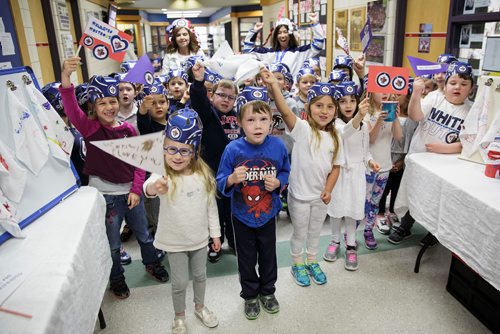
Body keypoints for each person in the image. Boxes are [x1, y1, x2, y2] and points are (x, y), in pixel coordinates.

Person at [59, 57, 169, 299]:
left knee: (144, 234)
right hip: (106, 196)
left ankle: (151, 264)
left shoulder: (128, 130)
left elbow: (140, 164)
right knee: (113, 244)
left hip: (131, 194)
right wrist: (66, 76)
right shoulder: (90, 129)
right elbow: (69, 106)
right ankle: (116, 278)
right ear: (93, 107)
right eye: (102, 103)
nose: (109, 107)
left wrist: (136, 190)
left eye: (112, 101)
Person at [261, 68, 344, 287]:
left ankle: (311, 260)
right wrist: (275, 86)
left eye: (329, 107)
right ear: (308, 107)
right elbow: (285, 111)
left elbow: (336, 167)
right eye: (318, 105)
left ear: (335, 111)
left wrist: (329, 189)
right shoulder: (302, 129)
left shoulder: (337, 137)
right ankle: (297, 263)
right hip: (299, 195)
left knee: (315, 231)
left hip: (320, 197)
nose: (324, 111)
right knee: (299, 231)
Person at [144, 108, 220, 333]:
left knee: (200, 276)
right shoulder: (162, 174)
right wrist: (155, 188)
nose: (177, 156)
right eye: (171, 149)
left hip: (198, 239)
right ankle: (179, 316)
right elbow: (147, 188)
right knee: (178, 283)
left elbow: (211, 207)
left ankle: (200, 306)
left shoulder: (203, 175)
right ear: (163, 149)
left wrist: (215, 233)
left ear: (194, 152)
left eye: (184, 151)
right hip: (174, 241)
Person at [216, 98, 290, 320]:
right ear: (240, 123)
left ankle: (268, 292)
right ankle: (249, 295)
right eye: (250, 120)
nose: (257, 125)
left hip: (268, 214)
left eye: (263, 119)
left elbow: (286, 170)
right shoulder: (232, 149)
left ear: (271, 122)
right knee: (246, 258)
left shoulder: (278, 145)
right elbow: (219, 180)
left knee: (268, 255)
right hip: (241, 216)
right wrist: (230, 178)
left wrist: (278, 183)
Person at [388, 62, 474, 245]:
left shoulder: (471, 111)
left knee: (437, 199)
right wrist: (417, 94)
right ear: (445, 86)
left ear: (471, 88)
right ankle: (405, 226)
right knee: (412, 192)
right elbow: (416, 116)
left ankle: (434, 232)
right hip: (420, 158)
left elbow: (469, 144)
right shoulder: (435, 98)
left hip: (446, 166)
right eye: (453, 82)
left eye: (464, 84)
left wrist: (445, 149)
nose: (458, 87)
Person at [324, 82, 380, 271]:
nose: (348, 105)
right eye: (343, 101)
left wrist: (370, 161)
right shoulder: (336, 124)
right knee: (336, 210)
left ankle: (350, 244)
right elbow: (346, 133)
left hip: (357, 175)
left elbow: (365, 150)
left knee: (351, 211)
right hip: (339, 174)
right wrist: (359, 116)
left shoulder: (363, 125)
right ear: (337, 104)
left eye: (352, 101)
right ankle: (334, 240)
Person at [190, 62, 242, 262]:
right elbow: (199, 101)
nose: (226, 100)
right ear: (212, 95)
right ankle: (215, 243)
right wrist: (198, 82)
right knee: (214, 212)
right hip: (211, 172)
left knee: (233, 211)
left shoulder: (239, 117)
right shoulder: (207, 114)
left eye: (231, 97)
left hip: (233, 174)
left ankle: (234, 241)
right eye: (221, 95)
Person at [363, 88, 403, 250]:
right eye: (380, 90)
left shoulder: (391, 112)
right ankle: (351, 232)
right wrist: (379, 121)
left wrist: (395, 118)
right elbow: (370, 139)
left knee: (375, 202)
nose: (384, 93)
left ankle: (368, 231)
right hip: (367, 166)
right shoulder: (366, 113)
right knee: (363, 201)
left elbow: (399, 137)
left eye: (388, 90)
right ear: (371, 91)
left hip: (385, 166)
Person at [375, 79, 417, 235]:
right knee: (383, 188)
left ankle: (392, 211)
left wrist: (402, 161)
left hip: (403, 160)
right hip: (386, 158)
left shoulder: (413, 119)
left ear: (408, 97)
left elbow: (412, 140)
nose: (394, 95)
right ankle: (380, 214)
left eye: (399, 93)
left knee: (397, 188)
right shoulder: (388, 114)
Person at [243, 13, 325, 77]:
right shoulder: (268, 52)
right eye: (279, 33)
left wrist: (315, 24)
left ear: (290, 34)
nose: (282, 36)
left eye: (285, 32)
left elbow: (318, 45)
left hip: (291, 94)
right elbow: (248, 50)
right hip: (271, 93)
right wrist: (254, 31)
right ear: (276, 36)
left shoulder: (299, 51)